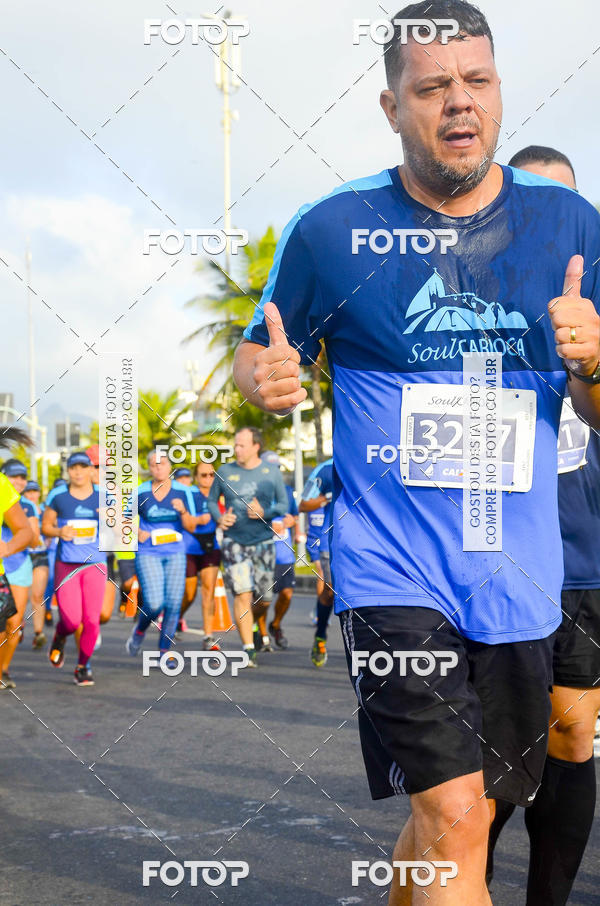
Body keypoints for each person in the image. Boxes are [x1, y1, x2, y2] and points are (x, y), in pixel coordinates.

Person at [232, 1, 600, 901]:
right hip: (392, 572)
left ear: (500, 91)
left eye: (477, 81)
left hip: (517, 578)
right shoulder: (334, 229)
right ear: (392, 107)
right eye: (433, 87)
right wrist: (266, 379)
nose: (459, 102)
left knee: (455, 827)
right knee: (456, 817)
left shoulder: (569, 224)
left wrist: (595, 361)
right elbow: (259, 349)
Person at [486, 149, 600, 905]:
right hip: (497, 561)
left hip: (584, 563)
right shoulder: (475, 292)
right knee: (489, 758)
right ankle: (465, 878)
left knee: (569, 736)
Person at [207, 428, 288, 667]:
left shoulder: (270, 472)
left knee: (264, 598)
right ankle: (248, 649)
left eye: (242, 445)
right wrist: (219, 519)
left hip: (262, 541)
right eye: (235, 445)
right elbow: (212, 500)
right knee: (242, 593)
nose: (237, 450)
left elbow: (283, 504)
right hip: (234, 541)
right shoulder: (225, 471)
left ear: (256, 447)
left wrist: (266, 512)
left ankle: (254, 621)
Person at [43, 451, 107, 686]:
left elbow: (123, 530)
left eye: (83, 467)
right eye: (73, 468)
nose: (78, 472)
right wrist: (60, 532)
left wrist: (110, 519)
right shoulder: (58, 496)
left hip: (95, 564)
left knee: (91, 620)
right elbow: (45, 526)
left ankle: (82, 667)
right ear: (68, 471)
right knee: (71, 621)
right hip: (67, 564)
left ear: (92, 470)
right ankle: (60, 635)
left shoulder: (104, 495)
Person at [125, 450, 197, 659]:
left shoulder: (183, 492)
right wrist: (137, 531)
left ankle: (165, 651)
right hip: (149, 552)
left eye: (163, 463)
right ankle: (139, 631)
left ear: (169, 466)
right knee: (155, 603)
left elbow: (191, 526)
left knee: (174, 603)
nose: (159, 467)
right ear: (149, 468)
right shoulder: (140, 492)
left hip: (175, 552)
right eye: (154, 464)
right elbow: (124, 521)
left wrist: (183, 511)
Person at [0, 460, 40, 686]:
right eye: (14, 476)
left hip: (16, 566)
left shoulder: (27, 505)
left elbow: (31, 538)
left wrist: (8, 546)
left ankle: (3, 669)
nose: (19, 481)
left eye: (23, 477)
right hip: (6, 570)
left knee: (13, 623)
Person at [177, 463, 223, 650]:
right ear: (196, 477)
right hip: (189, 546)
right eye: (203, 475)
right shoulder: (189, 494)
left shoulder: (219, 496)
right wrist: (199, 519)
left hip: (211, 545)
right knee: (189, 593)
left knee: (208, 591)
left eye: (212, 475)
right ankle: (175, 617)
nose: (208, 479)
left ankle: (208, 636)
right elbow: (184, 520)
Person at [261, 451, 299, 650]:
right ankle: (260, 634)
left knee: (286, 594)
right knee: (263, 599)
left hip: (284, 554)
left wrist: (291, 521)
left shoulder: (286, 490)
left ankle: (275, 625)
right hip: (262, 553)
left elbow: (295, 515)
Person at [299, 458, 333, 666]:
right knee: (330, 591)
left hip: (365, 545)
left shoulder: (370, 461)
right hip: (332, 542)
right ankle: (320, 636)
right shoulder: (325, 469)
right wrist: (326, 498)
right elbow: (303, 504)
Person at [86, 445, 117, 642]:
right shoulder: (70, 492)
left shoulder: (114, 494)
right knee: (79, 614)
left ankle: (92, 624)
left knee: (104, 614)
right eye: (97, 466)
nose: (101, 472)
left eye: (106, 467)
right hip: (77, 559)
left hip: (106, 557)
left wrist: (111, 519)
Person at [23, 479, 49, 647]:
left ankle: (38, 633)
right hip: (22, 556)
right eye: (28, 492)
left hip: (40, 555)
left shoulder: (46, 510)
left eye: (35, 491)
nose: (32, 495)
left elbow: (52, 526)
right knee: (22, 597)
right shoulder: (20, 509)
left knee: (37, 595)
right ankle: (17, 626)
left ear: (39, 493)